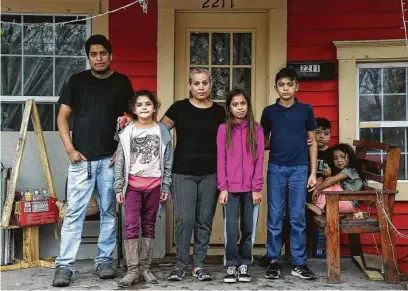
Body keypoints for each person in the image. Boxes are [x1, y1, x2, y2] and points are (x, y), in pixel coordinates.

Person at [52, 35, 134, 287]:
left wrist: (120, 150)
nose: (98, 58)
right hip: (82, 160)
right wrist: (69, 149)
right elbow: (62, 117)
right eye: (93, 54)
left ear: (111, 55)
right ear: (88, 57)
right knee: (74, 213)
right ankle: (65, 266)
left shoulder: (121, 82)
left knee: (109, 212)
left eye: (103, 53)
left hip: (110, 161)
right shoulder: (77, 81)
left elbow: (131, 119)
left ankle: (104, 262)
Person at [160, 67, 226, 281]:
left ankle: (199, 265)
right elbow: (159, 132)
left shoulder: (218, 112)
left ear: (210, 85)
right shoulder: (178, 108)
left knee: (204, 220)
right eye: (196, 83)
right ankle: (179, 265)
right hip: (183, 172)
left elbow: (232, 139)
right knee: (184, 219)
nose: (200, 87)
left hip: (211, 173)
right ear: (189, 85)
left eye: (204, 83)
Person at [261, 67, 318, 280]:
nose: (285, 88)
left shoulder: (306, 110)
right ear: (275, 88)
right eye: (281, 85)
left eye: (289, 84)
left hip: (300, 169)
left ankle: (299, 263)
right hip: (276, 167)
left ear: (296, 87)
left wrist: (312, 172)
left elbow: (312, 143)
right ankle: (273, 260)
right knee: (275, 215)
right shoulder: (269, 112)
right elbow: (264, 142)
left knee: (297, 217)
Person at [114, 90, 173, 287]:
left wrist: (165, 184)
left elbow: (168, 160)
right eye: (140, 105)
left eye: (148, 104)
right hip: (132, 186)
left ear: (154, 107)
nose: (144, 107)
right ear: (134, 109)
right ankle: (132, 270)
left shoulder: (162, 131)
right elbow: (120, 161)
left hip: (154, 186)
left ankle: (144, 268)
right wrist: (119, 186)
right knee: (131, 225)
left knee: (149, 225)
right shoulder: (127, 132)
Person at [217, 88, 264, 283]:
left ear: (248, 105)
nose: (239, 108)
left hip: (250, 190)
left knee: (248, 227)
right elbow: (221, 159)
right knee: (230, 229)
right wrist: (223, 188)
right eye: (235, 104)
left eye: (242, 104)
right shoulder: (223, 129)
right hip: (231, 188)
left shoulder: (257, 129)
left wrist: (256, 188)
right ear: (229, 107)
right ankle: (231, 265)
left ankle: (244, 262)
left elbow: (260, 160)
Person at [307, 143, 364, 216]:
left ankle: (318, 207)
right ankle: (316, 203)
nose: (339, 160)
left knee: (329, 181)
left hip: (349, 204)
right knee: (321, 179)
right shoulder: (340, 171)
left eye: (343, 157)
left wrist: (317, 188)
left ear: (349, 157)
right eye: (335, 158)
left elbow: (331, 181)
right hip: (339, 200)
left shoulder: (350, 170)